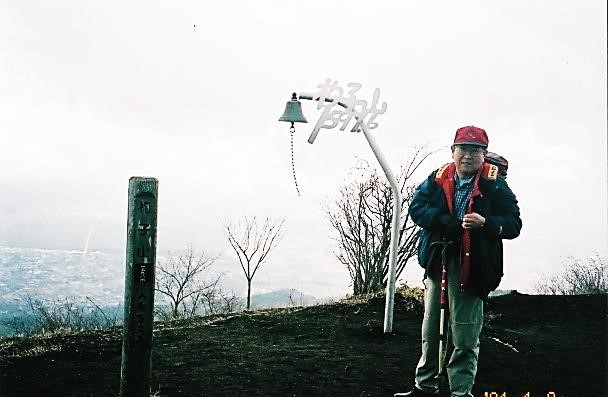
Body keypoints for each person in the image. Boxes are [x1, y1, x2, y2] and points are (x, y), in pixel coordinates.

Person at [395, 126, 522, 397]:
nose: (468, 155)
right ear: (453, 151)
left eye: (475, 150)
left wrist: (486, 223)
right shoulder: (438, 177)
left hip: (474, 267)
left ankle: (460, 392)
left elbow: (513, 224)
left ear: (484, 155)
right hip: (438, 260)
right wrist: (444, 222)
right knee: (431, 328)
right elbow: (416, 207)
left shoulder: (495, 183)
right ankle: (424, 387)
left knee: (465, 334)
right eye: (462, 148)